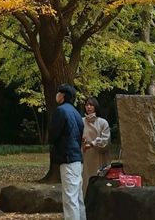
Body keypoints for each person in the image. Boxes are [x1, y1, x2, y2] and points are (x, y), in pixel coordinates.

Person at [49, 84, 86, 220]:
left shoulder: (61, 111)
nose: (56, 95)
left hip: (68, 157)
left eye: (58, 93)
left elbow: (53, 134)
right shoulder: (76, 113)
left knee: (70, 198)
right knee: (78, 197)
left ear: (63, 95)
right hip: (77, 158)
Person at [81, 96, 111, 194]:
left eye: (91, 105)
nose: (88, 107)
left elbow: (105, 140)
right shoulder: (81, 121)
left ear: (95, 107)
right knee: (86, 180)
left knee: (99, 180)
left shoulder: (102, 122)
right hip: (86, 156)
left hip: (99, 156)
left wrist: (92, 144)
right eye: (86, 105)